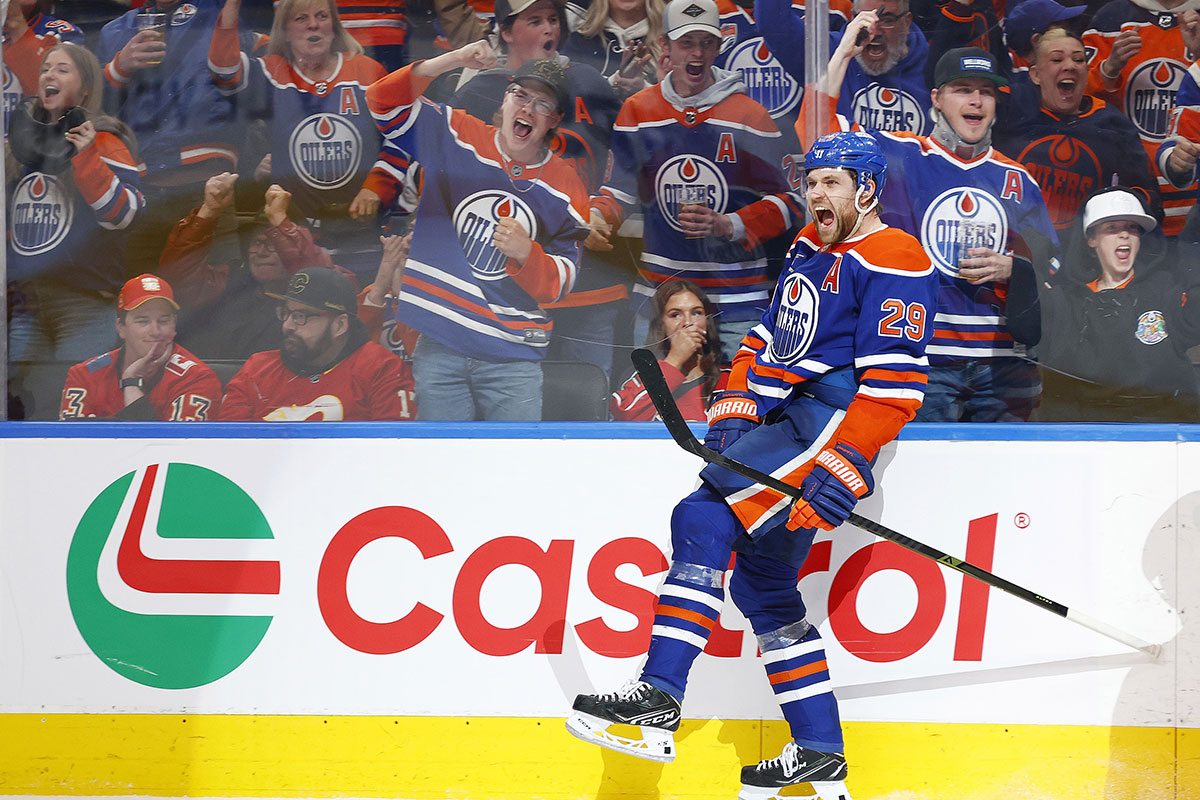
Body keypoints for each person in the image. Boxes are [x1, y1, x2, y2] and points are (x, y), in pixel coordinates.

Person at [567, 132, 937, 800]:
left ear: (869, 190)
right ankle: (820, 750)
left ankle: (659, 695)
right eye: (813, 181)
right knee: (763, 587)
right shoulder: (807, 245)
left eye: (833, 184)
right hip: (788, 418)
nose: (817, 194)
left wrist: (850, 458)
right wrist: (738, 404)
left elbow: (896, 383)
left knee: (701, 516)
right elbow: (771, 333)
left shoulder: (895, 256)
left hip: (826, 420)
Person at [801, 25, 1059, 422]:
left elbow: (1053, 268)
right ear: (936, 99)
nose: (976, 101)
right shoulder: (902, 154)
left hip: (1003, 362)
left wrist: (1014, 268)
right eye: (963, 89)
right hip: (924, 358)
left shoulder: (1017, 179)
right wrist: (842, 55)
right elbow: (819, 135)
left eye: (985, 92)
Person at [366, 41, 590, 420]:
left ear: (554, 120)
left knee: (514, 473)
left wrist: (527, 254)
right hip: (440, 345)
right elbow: (381, 102)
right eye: (520, 95)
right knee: (441, 469)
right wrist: (452, 61)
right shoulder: (456, 135)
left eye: (542, 104)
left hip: (513, 358)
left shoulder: (567, 188)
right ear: (504, 100)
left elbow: (563, 280)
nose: (527, 109)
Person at [590, 0, 803, 362]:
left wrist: (730, 223)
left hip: (736, 303)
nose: (698, 52)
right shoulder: (638, 111)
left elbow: (791, 202)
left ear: (719, 48)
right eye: (687, 43)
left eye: (707, 42)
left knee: (738, 409)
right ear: (666, 47)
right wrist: (599, 216)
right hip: (661, 298)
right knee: (655, 410)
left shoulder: (750, 116)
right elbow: (617, 192)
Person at [441, 0, 627, 380]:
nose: (550, 29)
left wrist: (600, 211)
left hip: (588, 287)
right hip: (505, 293)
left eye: (554, 20)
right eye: (535, 20)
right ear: (506, 32)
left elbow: (626, 166)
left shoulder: (590, 83)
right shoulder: (477, 93)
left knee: (586, 406)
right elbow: (451, 186)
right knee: (514, 410)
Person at [209, 0, 406, 275]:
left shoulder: (367, 72)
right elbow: (224, 72)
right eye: (301, 18)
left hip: (363, 233)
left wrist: (376, 187)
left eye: (322, 16)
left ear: (334, 26)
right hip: (296, 233)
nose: (313, 24)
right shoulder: (272, 72)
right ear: (285, 31)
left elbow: (401, 139)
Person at [5, 39, 144, 369]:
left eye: (62, 69)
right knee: (15, 400)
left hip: (84, 303)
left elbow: (125, 216)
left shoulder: (106, 140)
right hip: (26, 303)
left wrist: (87, 159)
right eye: (45, 68)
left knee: (76, 399)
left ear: (85, 90)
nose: (49, 74)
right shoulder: (17, 149)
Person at [97, 0, 260, 274]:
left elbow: (243, 89)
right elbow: (93, 112)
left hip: (207, 188)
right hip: (142, 195)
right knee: (143, 302)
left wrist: (229, 21)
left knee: (219, 303)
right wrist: (119, 67)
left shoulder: (220, 14)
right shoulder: (114, 31)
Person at [1039, 187, 1200, 421]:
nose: (1124, 235)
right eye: (1112, 228)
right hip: (1087, 432)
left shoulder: (1165, 289)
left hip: (1161, 431)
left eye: (1132, 228)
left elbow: (1195, 324)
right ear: (1091, 239)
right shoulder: (1066, 299)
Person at [157, 176, 358, 360]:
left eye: (272, 243)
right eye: (255, 243)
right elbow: (177, 276)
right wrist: (207, 213)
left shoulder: (337, 283)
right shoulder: (232, 282)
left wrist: (281, 221)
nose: (260, 252)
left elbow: (318, 282)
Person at [992, 28, 1160, 232]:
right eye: (1056, 60)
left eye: (1079, 60)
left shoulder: (1112, 123)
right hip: (1011, 243)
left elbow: (1147, 196)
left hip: (1083, 253)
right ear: (1035, 75)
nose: (1070, 66)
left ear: (1087, 72)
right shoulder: (1010, 106)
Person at [218, 268, 417, 421]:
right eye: (286, 313)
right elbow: (225, 446)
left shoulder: (382, 368)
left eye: (301, 316)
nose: (288, 325)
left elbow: (395, 452)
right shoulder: (257, 369)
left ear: (339, 325)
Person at [1084, 1, 1200, 235]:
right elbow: (1074, 104)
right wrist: (1109, 69)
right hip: (1133, 195)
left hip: (1193, 197)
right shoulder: (1112, 19)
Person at [60, 274, 222, 421]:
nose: (155, 331)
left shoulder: (197, 378)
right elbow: (71, 446)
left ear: (174, 326)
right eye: (143, 321)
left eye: (164, 321)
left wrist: (131, 382)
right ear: (121, 327)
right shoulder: (84, 375)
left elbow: (169, 448)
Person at [757, 0, 934, 135]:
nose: (874, 31)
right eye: (863, 19)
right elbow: (773, 21)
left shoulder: (931, 64)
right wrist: (843, 52)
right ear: (852, 19)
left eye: (886, 20)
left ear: (907, 22)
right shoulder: (830, 53)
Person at [609, 278, 720, 421]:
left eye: (696, 313)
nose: (687, 323)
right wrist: (675, 360)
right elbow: (626, 418)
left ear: (707, 322)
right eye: (675, 315)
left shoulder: (728, 378)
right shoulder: (640, 376)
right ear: (661, 325)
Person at [560, 0, 664, 97]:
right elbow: (566, 96)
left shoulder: (671, 40)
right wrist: (614, 82)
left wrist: (643, 87)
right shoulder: (578, 42)